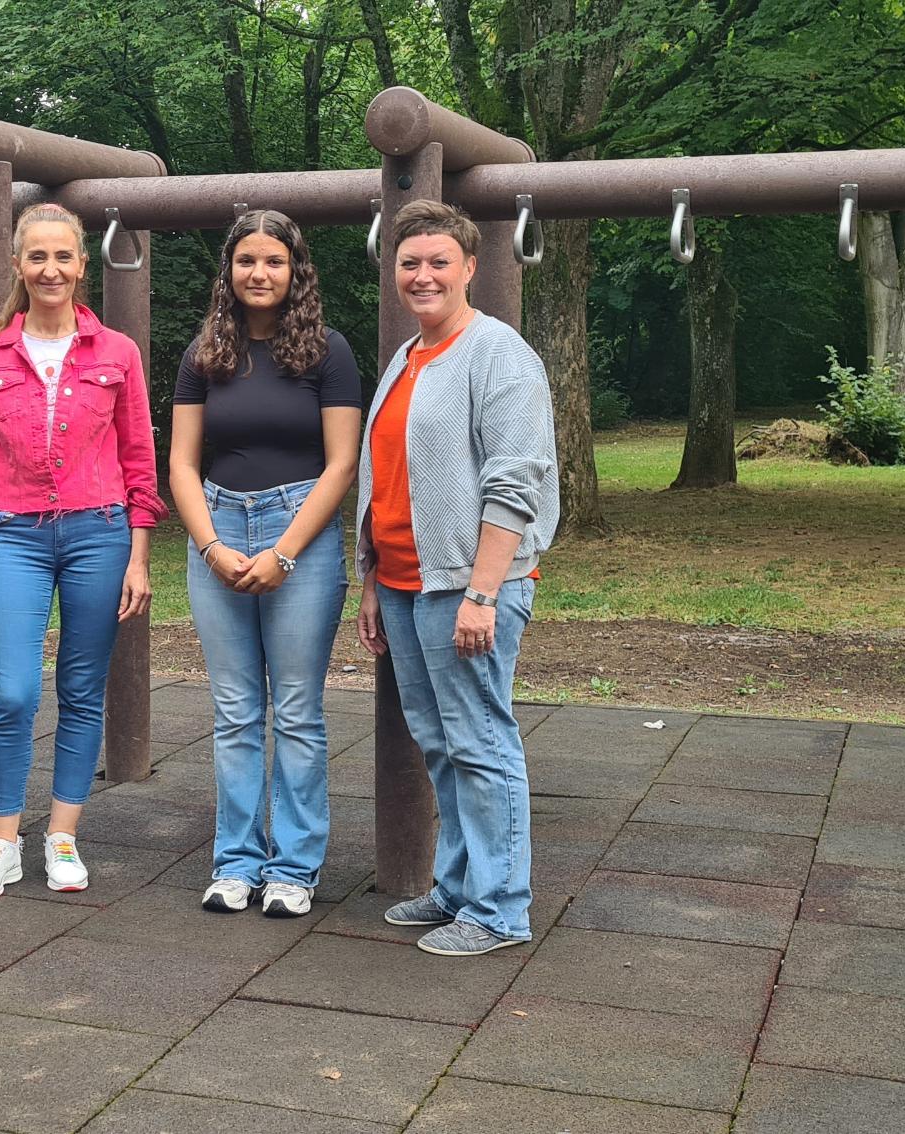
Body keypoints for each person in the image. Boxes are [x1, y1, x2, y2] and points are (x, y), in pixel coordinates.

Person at [0, 203, 165, 900]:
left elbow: (139, 458)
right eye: (37, 257)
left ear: (80, 264)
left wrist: (137, 554)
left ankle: (62, 835)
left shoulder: (116, 353)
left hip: (99, 533)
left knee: (80, 689)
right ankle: (1, 843)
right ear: (17, 265)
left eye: (63, 257)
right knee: (10, 693)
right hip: (12, 535)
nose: (51, 270)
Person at [355, 199, 558, 955]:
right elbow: (388, 481)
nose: (423, 275)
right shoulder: (408, 358)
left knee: (481, 742)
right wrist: (372, 580)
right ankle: (460, 888)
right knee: (440, 743)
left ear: (470, 268)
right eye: (410, 262)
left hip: (469, 588)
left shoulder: (497, 354)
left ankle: (501, 910)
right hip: (407, 585)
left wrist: (483, 591)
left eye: (439, 261)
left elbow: (516, 482)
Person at [169, 210, 360, 918]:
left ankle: (295, 867)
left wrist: (284, 552)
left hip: (298, 529)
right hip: (215, 525)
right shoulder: (204, 355)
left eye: (273, 262)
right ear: (230, 270)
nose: (259, 273)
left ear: (295, 271)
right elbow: (182, 463)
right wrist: (212, 547)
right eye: (246, 260)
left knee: (298, 711)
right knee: (235, 712)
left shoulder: (326, 351)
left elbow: (342, 464)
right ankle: (237, 862)